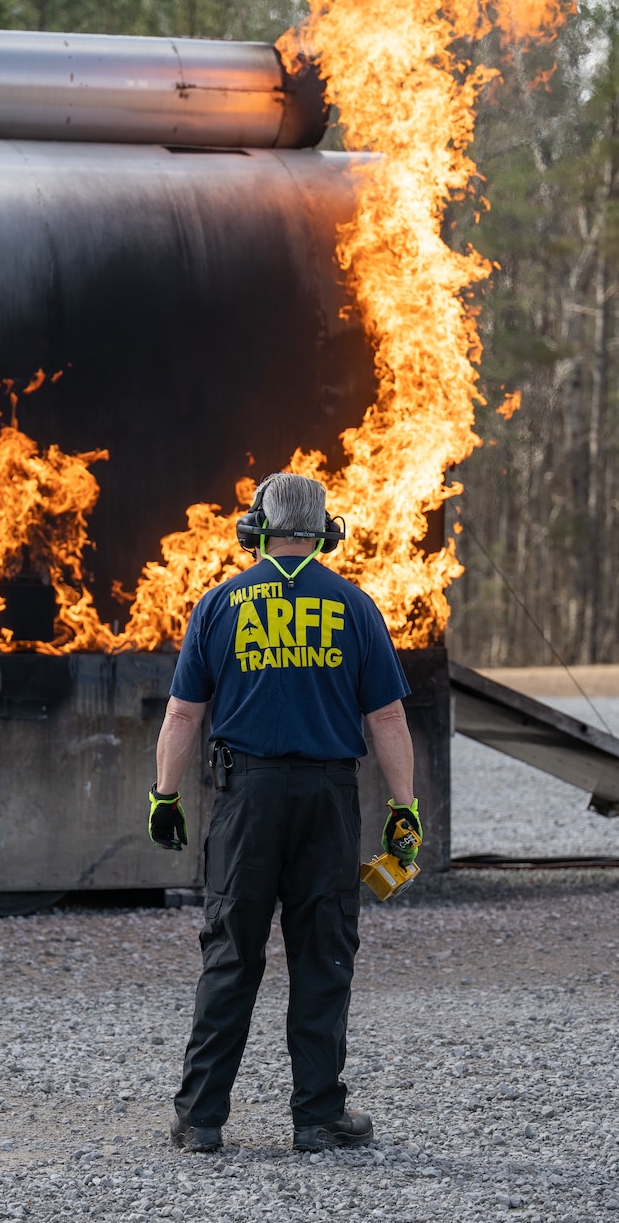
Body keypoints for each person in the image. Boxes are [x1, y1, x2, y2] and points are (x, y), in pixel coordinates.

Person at [146, 473, 423, 1153]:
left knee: (231, 952)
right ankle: (318, 1115)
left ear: (258, 527)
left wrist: (165, 793)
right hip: (327, 799)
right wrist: (403, 809)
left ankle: (203, 1116)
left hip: (248, 798)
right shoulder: (355, 606)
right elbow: (385, 716)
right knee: (323, 953)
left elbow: (184, 713)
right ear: (324, 529)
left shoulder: (219, 604)